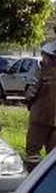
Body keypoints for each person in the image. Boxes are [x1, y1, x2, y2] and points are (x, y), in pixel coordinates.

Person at [25, 41, 56, 170]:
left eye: (44, 55)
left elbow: (30, 94)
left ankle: (33, 177)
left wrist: (29, 102)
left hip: (39, 118)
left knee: (33, 151)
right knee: (53, 155)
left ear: (48, 57)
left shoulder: (42, 72)